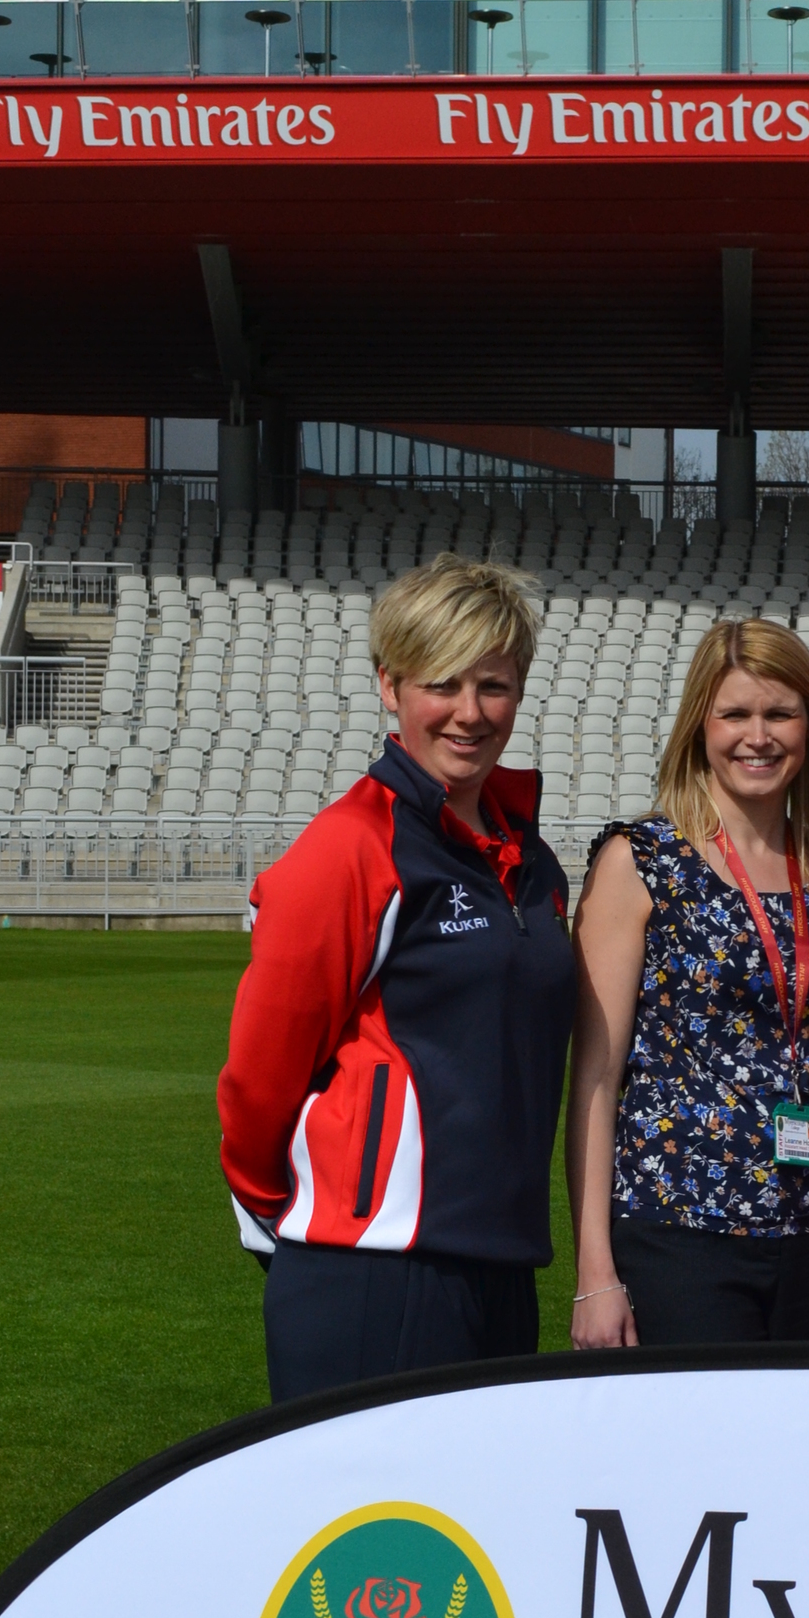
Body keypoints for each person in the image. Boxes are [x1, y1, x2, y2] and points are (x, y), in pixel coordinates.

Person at [217, 554, 573, 1401]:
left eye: (493, 686)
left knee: (480, 1533)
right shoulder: (351, 846)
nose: (470, 713)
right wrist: (306, 1212)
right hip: (370, 1269)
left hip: (502, 1264)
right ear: (391, 685)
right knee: (367, 1533)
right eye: (441, 684)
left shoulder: (531, 860)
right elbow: (258, 1077)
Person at [567, 616, 809, 1346]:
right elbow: (595, 1077)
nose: (759, 735)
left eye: (781, 713)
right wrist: (595, 1270)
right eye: (736, 714)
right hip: (681, 1228)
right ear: (701, 725)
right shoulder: (641, 861)